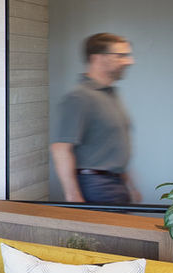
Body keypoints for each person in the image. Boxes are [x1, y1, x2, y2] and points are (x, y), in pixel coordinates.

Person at [51, 32, 140, 205]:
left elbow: (111, 147)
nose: (129, 61)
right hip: (96, 187)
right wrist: (73, 197)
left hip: (115, 184)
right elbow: (61, 149)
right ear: (98, 59)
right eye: (121, 56)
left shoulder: (110, 94)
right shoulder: (79, 97)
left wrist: (130, 185)